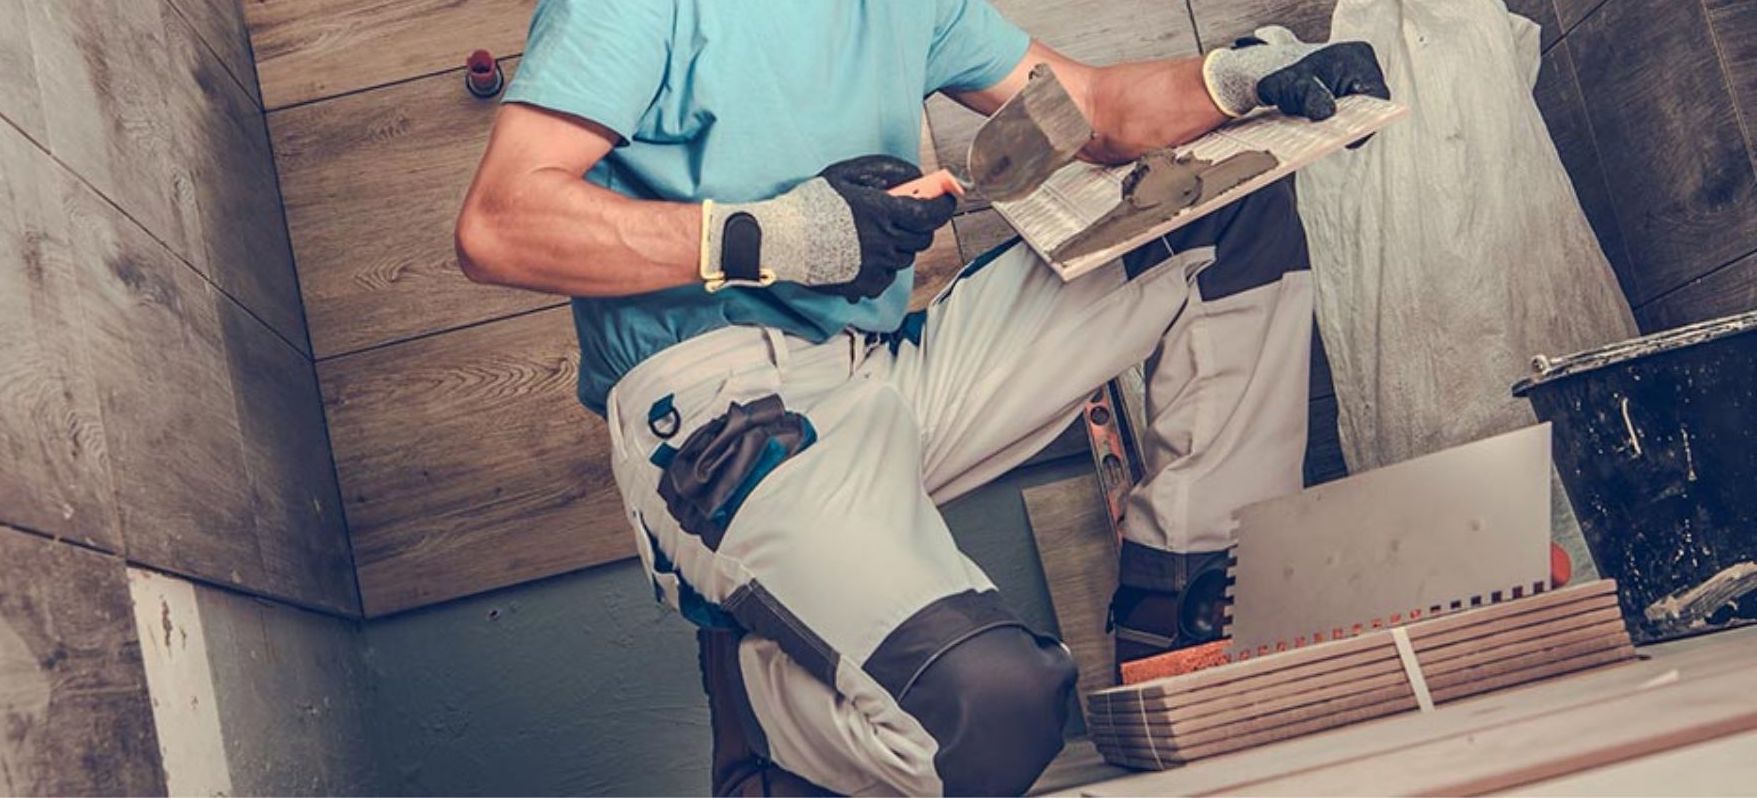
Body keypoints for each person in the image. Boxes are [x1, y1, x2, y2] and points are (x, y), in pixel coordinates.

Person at [454, 2, 1387, 794]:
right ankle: (758, 714)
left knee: (1225, 205)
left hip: (884, 364)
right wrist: (771, 234)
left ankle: (1179, 623)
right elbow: (500, 224)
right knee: (994, 710)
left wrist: (1233, 83)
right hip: (719, 404)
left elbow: (1090, 109)